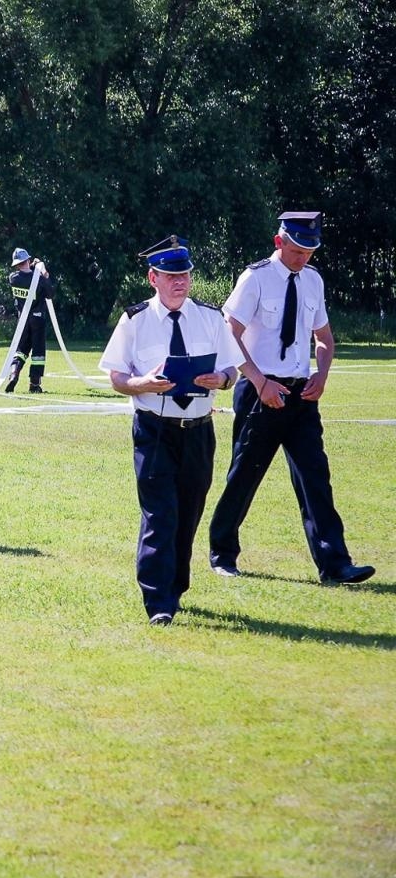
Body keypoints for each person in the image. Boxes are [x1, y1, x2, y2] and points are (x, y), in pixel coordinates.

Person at [207, 212, 375, 585]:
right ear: (279, 241)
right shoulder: (255, 278)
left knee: (316, 476)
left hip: (301, 394)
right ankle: (222, 552)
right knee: (245, 475)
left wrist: (322, 373)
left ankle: (335, 565)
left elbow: (324, 339)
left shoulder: (313, 281)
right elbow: (228, 333)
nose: (303, 258)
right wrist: (260, 381)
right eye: (298, 250)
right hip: (258, 391)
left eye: (310, 251)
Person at [99, 236, 243, 625]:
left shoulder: (211, 319)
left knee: (188, 513)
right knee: (160, 513)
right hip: (154, 429)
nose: (180, 282)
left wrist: (222, 379)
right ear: (153, 277)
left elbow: (233, 368)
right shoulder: (136, 320)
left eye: (185, 275)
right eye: (171, 275)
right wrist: (140, 383)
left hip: (198, 429)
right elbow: (116, 376)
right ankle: (158, 601)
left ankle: (175, 586)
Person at [4, 247, 54, 393]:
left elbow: (25, 276)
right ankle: (34, 384)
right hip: (38, 319)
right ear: (27, 260)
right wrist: (43, 272)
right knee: (38, 353)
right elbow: (50, 293)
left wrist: (33, 267)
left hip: (23, 321)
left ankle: (13, 374)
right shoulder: (38, 280)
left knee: (21, 350)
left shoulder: (13, 278)